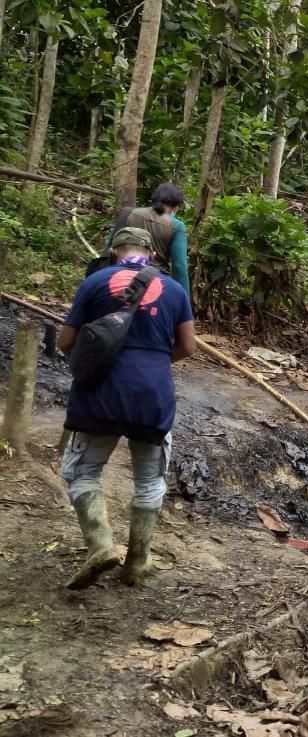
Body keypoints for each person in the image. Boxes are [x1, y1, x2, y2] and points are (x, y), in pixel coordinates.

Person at [58, 227, 196, 589]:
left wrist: (92, 361)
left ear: (115, 251)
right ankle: (138, 561)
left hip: (99, 391)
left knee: (83, 472)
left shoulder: (94, 283)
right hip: (152, 393)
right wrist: (152, 361)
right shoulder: (175, 290)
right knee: (149, 480)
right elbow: (188, 347)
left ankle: (101, 545)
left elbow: (65, 342)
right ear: (150, 254)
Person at [107, 182, 190, 296]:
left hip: (119, 274)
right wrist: (184, 298)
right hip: (156, 281)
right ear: (175, 207)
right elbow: (179, 265)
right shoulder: (177, 226)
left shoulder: (128, 213)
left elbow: (110, 246)